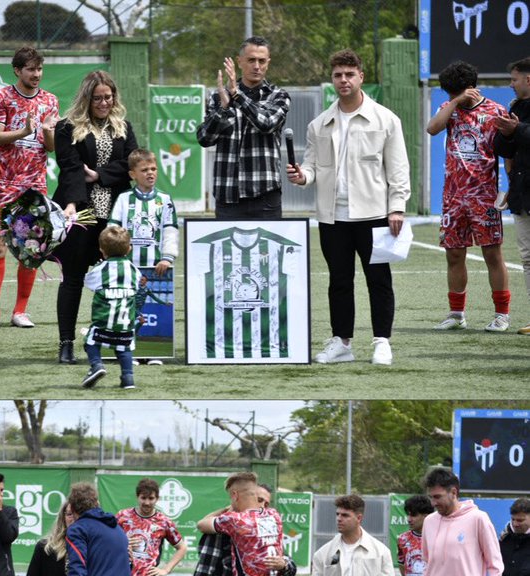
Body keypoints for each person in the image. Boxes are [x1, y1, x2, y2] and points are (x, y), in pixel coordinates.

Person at [288, 49, 409, 367]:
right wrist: (302, 176)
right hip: (332, 217)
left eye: (349, 74)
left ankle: (382, 342)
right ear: (332, 79)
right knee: (338, 281)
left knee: (378, 280)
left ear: (361, 77)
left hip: (374, 216)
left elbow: (397, 169)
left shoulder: (386, 119)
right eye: (338, 75)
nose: (343, 80)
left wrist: (396, 208)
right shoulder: (319, 124)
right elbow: (312, 168)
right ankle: (342, 342)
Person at [53, 70, 137, 364]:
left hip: (115, 215)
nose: (103, 103)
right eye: (98, 98)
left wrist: (100, 174)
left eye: (108, 97)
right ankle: (66, 343)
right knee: (73, 279)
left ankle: (118, 341)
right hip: (81, 214)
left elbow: (131, 162)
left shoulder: (123, 127)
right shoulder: (66, 128)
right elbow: (70, 167)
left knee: (118, 280)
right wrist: (74, 202)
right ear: (86, 98)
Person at [0, 46, 58, 331]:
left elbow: (50, 147)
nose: (36, 75)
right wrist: (24, 131)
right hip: (5, 183)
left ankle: (20, 311)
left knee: (31, 248)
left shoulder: (49, 100)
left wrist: (48, 131)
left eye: (39, 69)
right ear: (17, 70)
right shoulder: (3, 96)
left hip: (35, 184)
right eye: (30, 70)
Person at [427, 60, 510, 333]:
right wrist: (455, 101)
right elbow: (432, 128)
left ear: (471, 88)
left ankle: (502, 315)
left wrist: (507, 188)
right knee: (453, 254)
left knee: (492, 254)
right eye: (449, 94)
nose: (451, 98)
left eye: (455, 93)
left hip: (484, 197)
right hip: (453, 196)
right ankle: (456, 314)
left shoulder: (495, 111)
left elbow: (509, 151)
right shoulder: (448, 110)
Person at [196, 35, 290, 219]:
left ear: (268, 63)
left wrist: (237, 96)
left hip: (265, 195)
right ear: (240, 62)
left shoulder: (278, 96)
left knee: (266, 249)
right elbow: (204, 139)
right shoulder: (218, 97)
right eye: (251, 60)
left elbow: (267, 123)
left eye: (262, 61)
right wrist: (223, 107)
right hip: (227, 195)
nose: (257, 66)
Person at [108, 146, 179, 341]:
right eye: (144, 170)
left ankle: (156, 354)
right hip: (127, 267)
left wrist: (167, 257)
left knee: (144, 312)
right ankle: (126, 349)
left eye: (153, 169)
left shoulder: (164, 200)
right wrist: (113, 258)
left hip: (155, 267)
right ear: (133, 174)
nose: (150, 173)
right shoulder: (124, 199)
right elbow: (112, 231)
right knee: (124, 310)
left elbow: (170, 230)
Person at [116, 478, 186, 576]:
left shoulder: (163, 522)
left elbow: (182, 547)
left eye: (151, 498)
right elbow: (107, 543)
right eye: (143, 498)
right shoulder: (122, 517)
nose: (147, 502)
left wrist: (165, 570)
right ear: (137, 497)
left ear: (157, 498)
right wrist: (122, 542)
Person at [493, 57, 530, 334]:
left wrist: (517, 129)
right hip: (521, 192)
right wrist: (506, 133)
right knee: (527, 257)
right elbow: (504, 150)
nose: (511, 84)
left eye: (514, 79)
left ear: (528, 79)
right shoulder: (516, 107)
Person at [79, 225, 141, 389]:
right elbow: (137, 287)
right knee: (124, 349)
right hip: (126, 325)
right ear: (129, 249)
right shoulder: (134, 270)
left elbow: (88, 283)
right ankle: (128, 379)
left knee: (90, 341)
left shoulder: (101, 269)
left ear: (102, 250)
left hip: (103, 323)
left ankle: (96, 366)